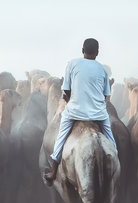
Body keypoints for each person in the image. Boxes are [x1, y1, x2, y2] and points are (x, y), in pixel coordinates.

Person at [44, 38, 117, 185]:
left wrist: (72, 100)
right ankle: (117, 165)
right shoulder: (102, 69)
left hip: (74, 112)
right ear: (97, 52)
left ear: (82, 51)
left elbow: (66, 91)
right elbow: (106, 96)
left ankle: (53, 170)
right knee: (111, 140)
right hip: (98, 114)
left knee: (61, 136)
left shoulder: (72, 64)